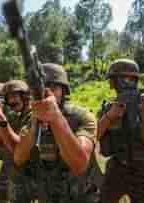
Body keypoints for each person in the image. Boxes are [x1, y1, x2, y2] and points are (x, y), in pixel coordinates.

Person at [11, 63, 102, 203]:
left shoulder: (82, 117)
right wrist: (35, 126)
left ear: (64, 91)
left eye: (53, 87)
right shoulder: (31, 119)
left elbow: (80, 164)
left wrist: (56, 118)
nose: (47, 93)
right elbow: (18, 158)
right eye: (41, 89)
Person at [97, 59, 144, 203]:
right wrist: (109, 117)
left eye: (131, 79)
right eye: (124, 78)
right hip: (117, 167)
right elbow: (94, 135)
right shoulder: (108, 107)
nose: (127, 82)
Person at [0, 80, 33, 203]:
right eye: (8, 97)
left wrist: (2, 119)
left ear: (25, 96)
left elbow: (19, 147)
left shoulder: (34, 117)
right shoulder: (12, 116)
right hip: (8, 167)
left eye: (14, 96)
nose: (11, 101)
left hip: (27, 171)